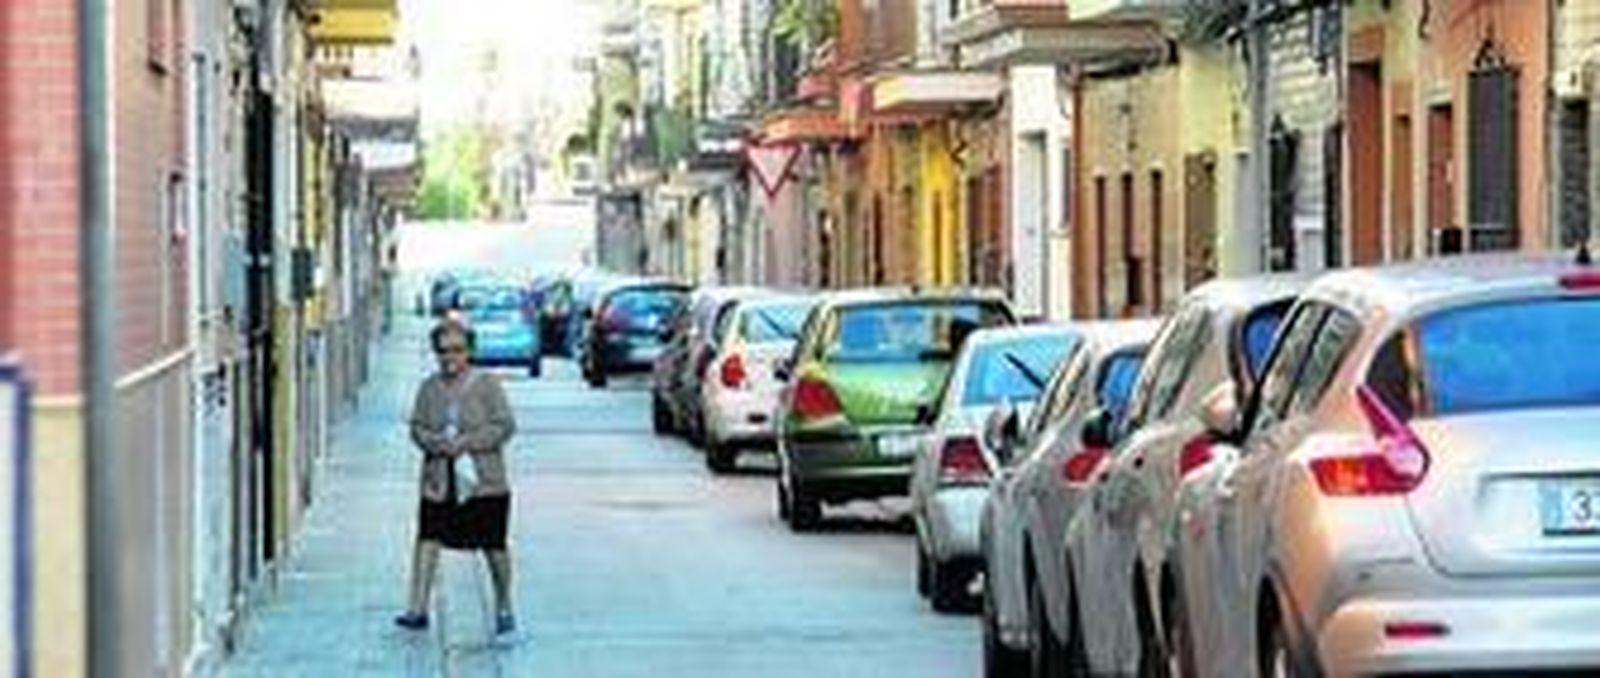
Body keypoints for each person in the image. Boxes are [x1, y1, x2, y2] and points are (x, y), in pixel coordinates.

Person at [396, 320, 519, 634]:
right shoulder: (429, 388)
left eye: (457, 350)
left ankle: (504, 604)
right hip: (439, 481)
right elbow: (417, 428)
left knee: (493, 545)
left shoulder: (487, 384)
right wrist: (436, 443)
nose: (450, 357)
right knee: (428, 538)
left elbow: (504, 426)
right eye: (443, 351)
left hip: (483, 483)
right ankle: (418, 609)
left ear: (470, 351)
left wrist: (466, 443)